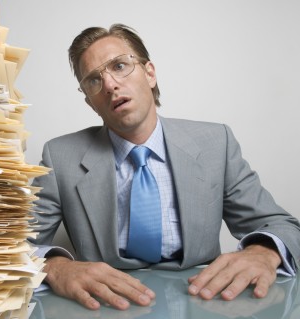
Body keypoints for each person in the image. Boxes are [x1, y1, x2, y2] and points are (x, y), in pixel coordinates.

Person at [29, 23, 300, 311]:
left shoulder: (215, 143)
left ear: (150, 73)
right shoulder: (60, 156)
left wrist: (263, 251)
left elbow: (283, 225)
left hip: (205, 301)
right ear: (89, 102)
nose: (109, 85)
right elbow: (8, 247)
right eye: (94, 81)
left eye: (119, 66)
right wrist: (56, 267)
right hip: (106, 307)